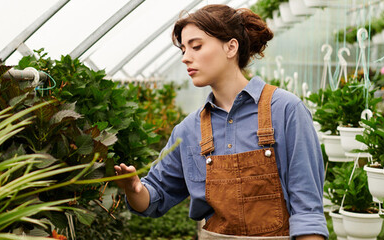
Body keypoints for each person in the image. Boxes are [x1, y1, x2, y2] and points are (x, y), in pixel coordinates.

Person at [113, 4, 327, 240]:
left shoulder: (286, 111)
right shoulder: (188, 130)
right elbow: (154, 198)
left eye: (196, 46)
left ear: (231, 47)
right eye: (183, 50)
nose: (185, 58)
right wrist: (135, 189)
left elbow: (308, 212)